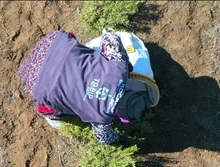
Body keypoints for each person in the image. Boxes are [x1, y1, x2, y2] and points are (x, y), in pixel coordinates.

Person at [18, 29, 157, 144]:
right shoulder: (100, 118)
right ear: (122, 118)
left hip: (55, 44)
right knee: (47, 109)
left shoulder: (119, 71)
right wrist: (119, 140)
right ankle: (52, 118)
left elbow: (110, 36)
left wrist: (124, 63)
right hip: (37, 82)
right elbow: (105, 138)